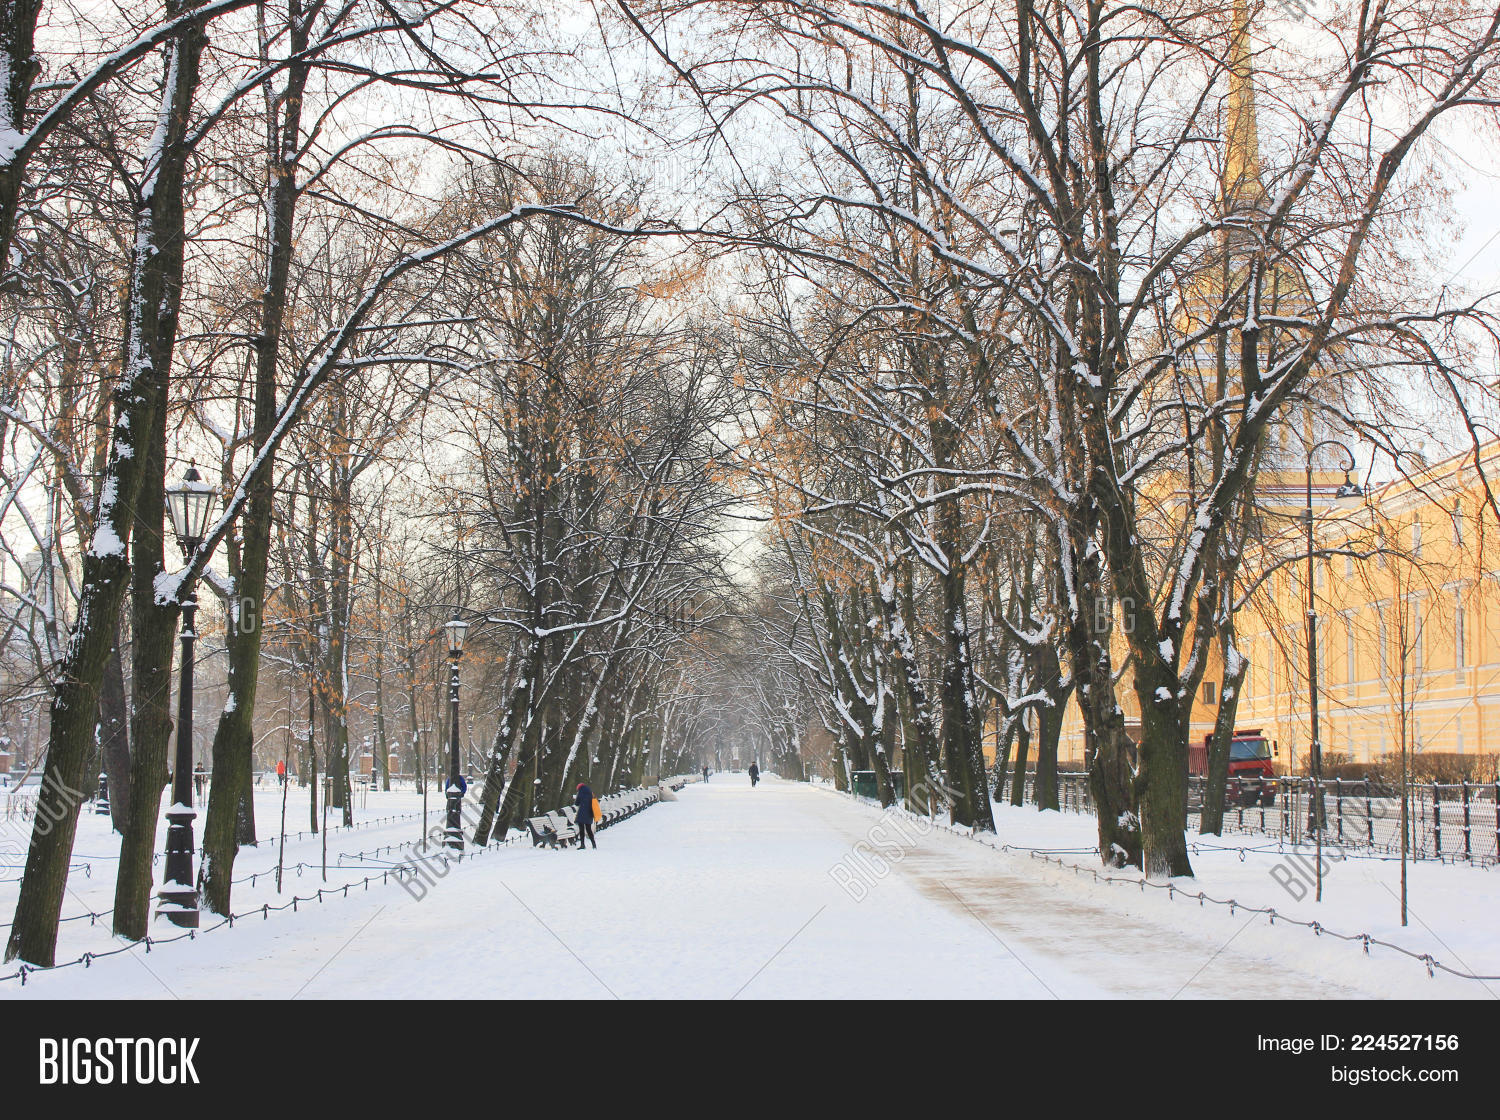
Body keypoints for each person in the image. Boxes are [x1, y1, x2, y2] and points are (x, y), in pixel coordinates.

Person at [574, 781, 597, 849]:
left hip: (582, 813)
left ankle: (582, 844)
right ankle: (593, 844)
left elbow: (577, 803)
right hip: (590, 812)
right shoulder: (590, 792)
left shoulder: (580, 792)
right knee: (588, 829)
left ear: (579, 788)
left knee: (581, 829)